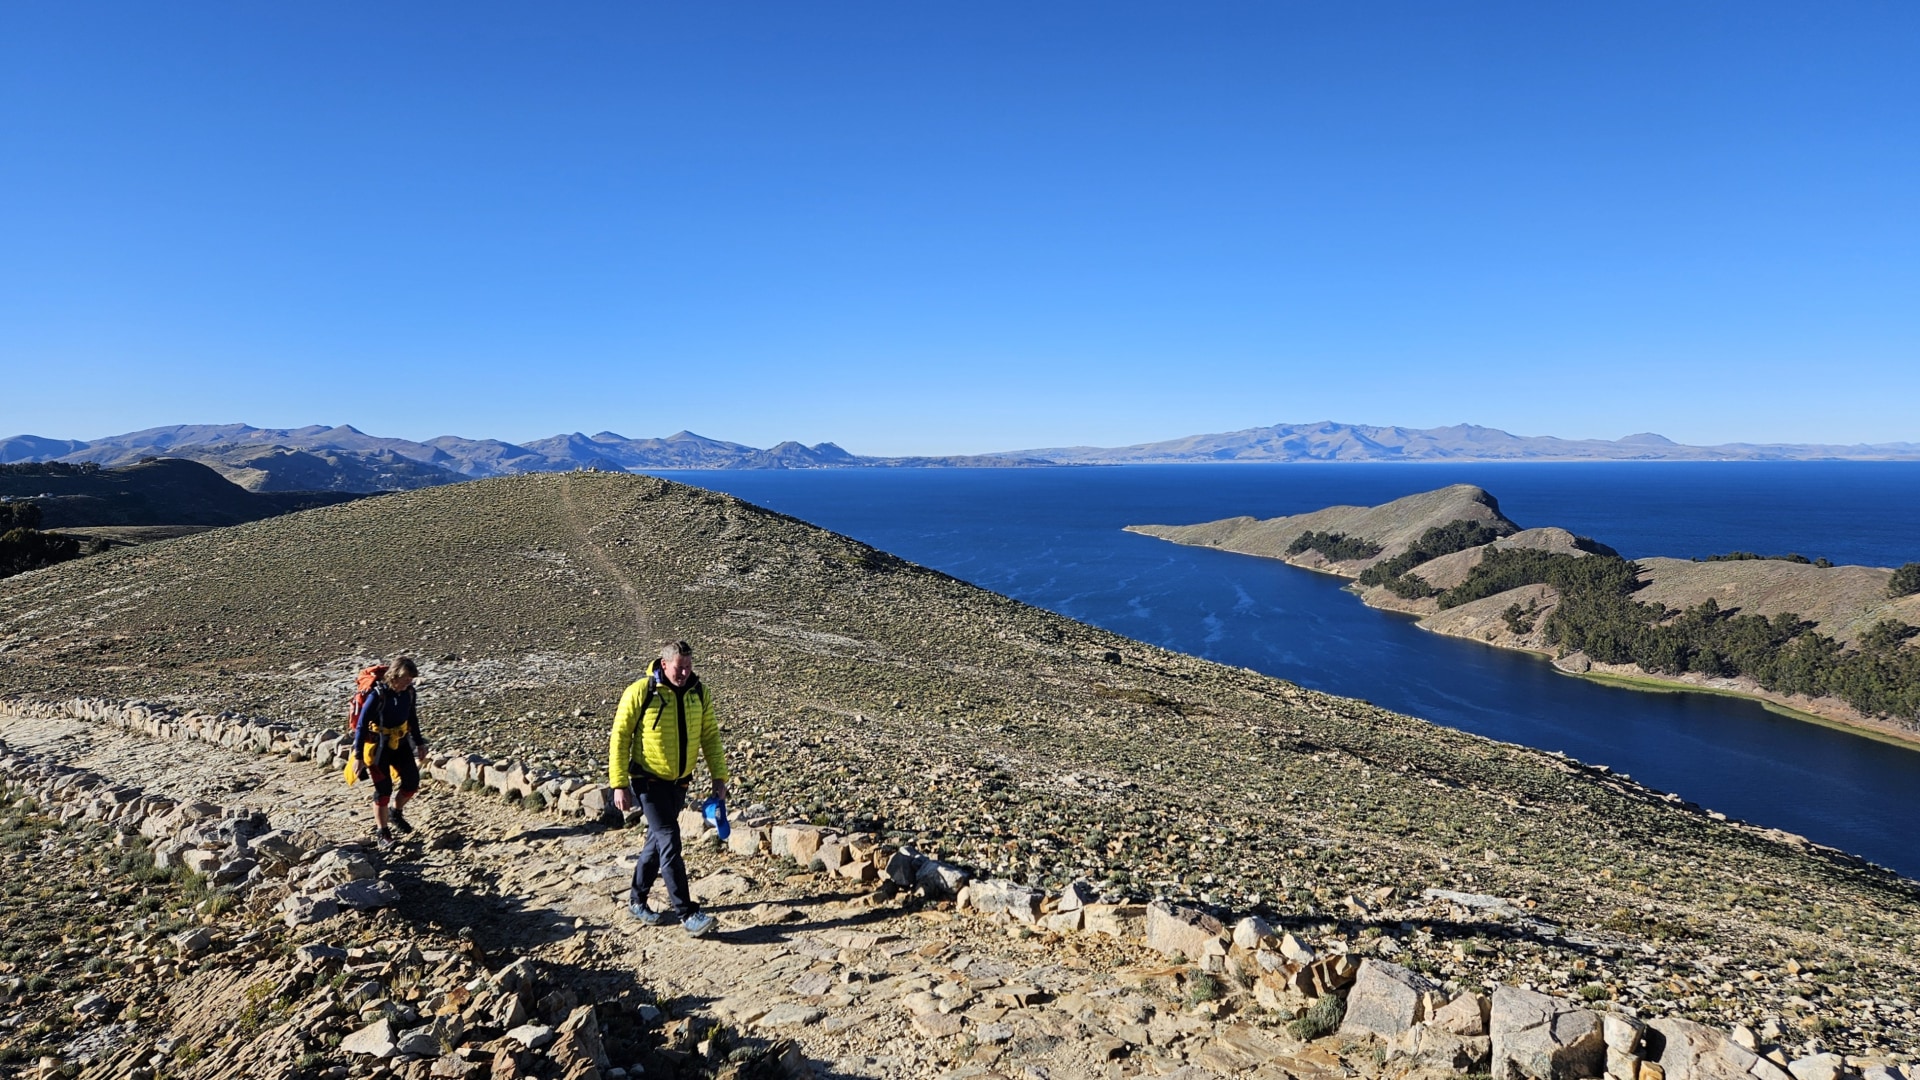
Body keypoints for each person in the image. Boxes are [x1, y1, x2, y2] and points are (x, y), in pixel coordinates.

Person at [608, 640, 730, 937]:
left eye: (689, 667)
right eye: (679, 667)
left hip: (679, 783)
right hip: (647, 781)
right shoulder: (641, 691)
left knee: (656, 841)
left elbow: (710, 736)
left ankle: (637, 900)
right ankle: (687, 913)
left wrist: (719, 777)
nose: (685, 673)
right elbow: (620, 737)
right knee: (669, 838)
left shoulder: (698, 693)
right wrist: (619, 784)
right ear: (664, 664)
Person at [353, 655, 430, 850]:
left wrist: (420, 744)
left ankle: (396, 812)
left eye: (411, 680)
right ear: (395, 676)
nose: (408, 683)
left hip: (401, 742)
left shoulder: (409, 693)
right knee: (384, 790)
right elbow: (361, 726)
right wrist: (358, 756)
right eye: (406, 680)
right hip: (378, 747)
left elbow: (412, 718)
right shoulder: (377, 695)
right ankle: (382, 832)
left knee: (412, 783)